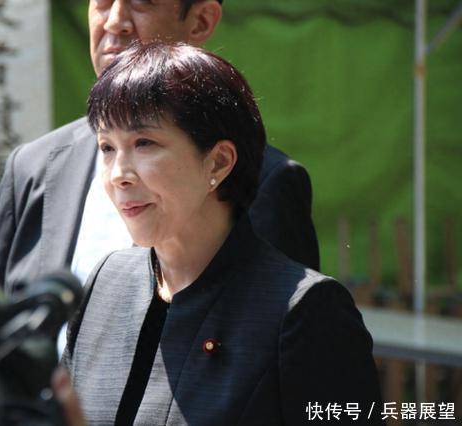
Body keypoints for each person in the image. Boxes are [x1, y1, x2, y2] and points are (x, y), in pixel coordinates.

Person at [59, 42, 383, 425]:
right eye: (107, 147)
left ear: (218, 162)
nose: (118, 175)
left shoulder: (303, 310)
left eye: (144, 143)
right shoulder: (107, 281)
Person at [0, 0, 319, 299]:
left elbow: (278, 326)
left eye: (142, 2)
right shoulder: (32, 166)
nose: (115, 21)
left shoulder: (267, 181)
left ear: (200, 21)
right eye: (101, 1)